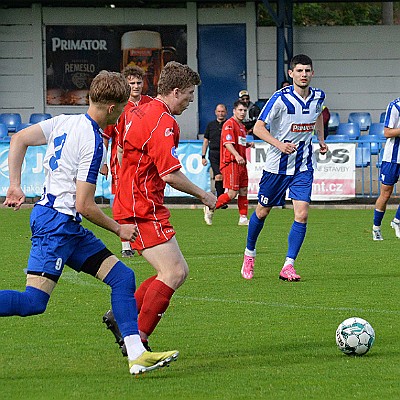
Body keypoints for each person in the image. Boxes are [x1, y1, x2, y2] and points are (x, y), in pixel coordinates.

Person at [0, 70, 178, 375]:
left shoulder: (65, 121)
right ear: (112, 108)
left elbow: (19, 139)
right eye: (122, 109)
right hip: (55, 226)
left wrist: (14, 185)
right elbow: (85, 204)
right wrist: (119, 228)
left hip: (65, 225)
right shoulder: (93, 142)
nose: (122, 114)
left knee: (122, 277)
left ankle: (137, 354)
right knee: (33, 302)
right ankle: (136, 352)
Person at [103, 62, 217, 355]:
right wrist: (204, 195)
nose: (191, 100)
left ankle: (122, 315)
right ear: (176, 91)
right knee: (175, 272)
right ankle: (137, 342)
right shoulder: (163, 122)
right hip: (142, 207)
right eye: (189, 94)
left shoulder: (138, 108)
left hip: (133, 201)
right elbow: (169, 174)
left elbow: (117, 140)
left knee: (171, 270)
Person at [240, 54, 328, 281]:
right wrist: (280, 145)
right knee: (262, 211)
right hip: (276, 167)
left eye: (307, 70)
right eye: (299, 71)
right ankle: (249, 253)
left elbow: (317, 115)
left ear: (312, 73)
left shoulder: (319, 96)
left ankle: (288, 265)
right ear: (291, 74)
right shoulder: (280, 99)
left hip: (303, 166)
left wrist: (320, 138)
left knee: (302, 214)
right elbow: (258, 128)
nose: (304, 74)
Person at [102, 65, 153, 258]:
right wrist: (103, 162)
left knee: (145, 200)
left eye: (139, 82)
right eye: (131, 83)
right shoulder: (118, 107)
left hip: (146, 162)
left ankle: (144, 241)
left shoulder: (150, 103)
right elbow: (106, 137)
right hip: (122, 162)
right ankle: (125, 244)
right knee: (123, 201)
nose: (136, 86)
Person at [204, 100, 254, 226]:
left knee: (243, 191)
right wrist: (236, 155)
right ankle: (210, 206)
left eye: (244, 110)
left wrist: (247, 144)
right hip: (232, 162)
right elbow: (227, 143)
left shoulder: (242, 127)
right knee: (231, 193)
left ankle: (243, 218)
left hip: (241, 163)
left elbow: (238, 143)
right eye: (240, 110)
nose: (242, 113)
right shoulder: (229, 124)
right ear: (234, 111)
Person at [372, 99, 400, 241]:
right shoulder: (395, 105)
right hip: (392, 158)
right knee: (386, 194)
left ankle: (397, 220)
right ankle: (376, 227)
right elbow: (387, 132)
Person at [201, 103, 228, 200]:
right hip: (214, 154)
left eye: (222, 112)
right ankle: (220, 199)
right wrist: (203, 156)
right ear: (215, 112)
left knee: (225, 178)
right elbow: (205, 141)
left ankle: (222, 198)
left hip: (226, 154)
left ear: (226, 113)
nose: (221, 114)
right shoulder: (210, 125)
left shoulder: (229, 124)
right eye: (219, 112)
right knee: (218, 176)